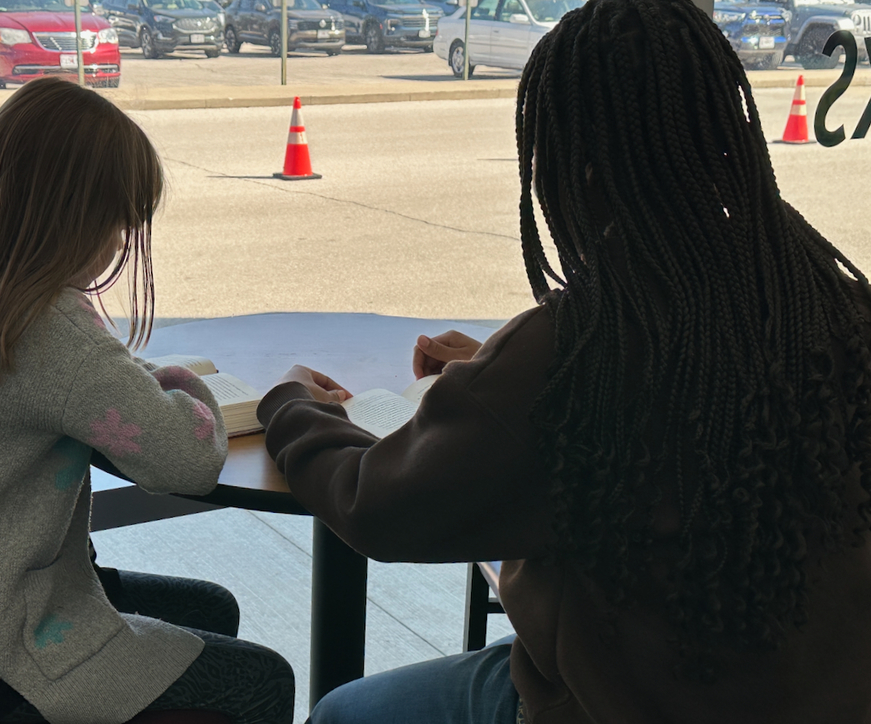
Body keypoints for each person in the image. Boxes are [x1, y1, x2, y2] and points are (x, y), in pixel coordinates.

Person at [255, 0, 871, 722]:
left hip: (619, 705)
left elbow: (376, 510)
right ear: (726, 132)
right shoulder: (835, 310)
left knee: (343, 713)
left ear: (570, 166)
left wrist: (290, 403)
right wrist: (491, 368)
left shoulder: (573, 354)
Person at [0, 77, 293, 724]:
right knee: (262, 682)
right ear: (74, 219)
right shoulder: (49, 328)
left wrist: (130, 376)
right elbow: (187, 459)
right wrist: (184, 382)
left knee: (210, 610)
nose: (119, 240)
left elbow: (75, 378)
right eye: (116, 220)